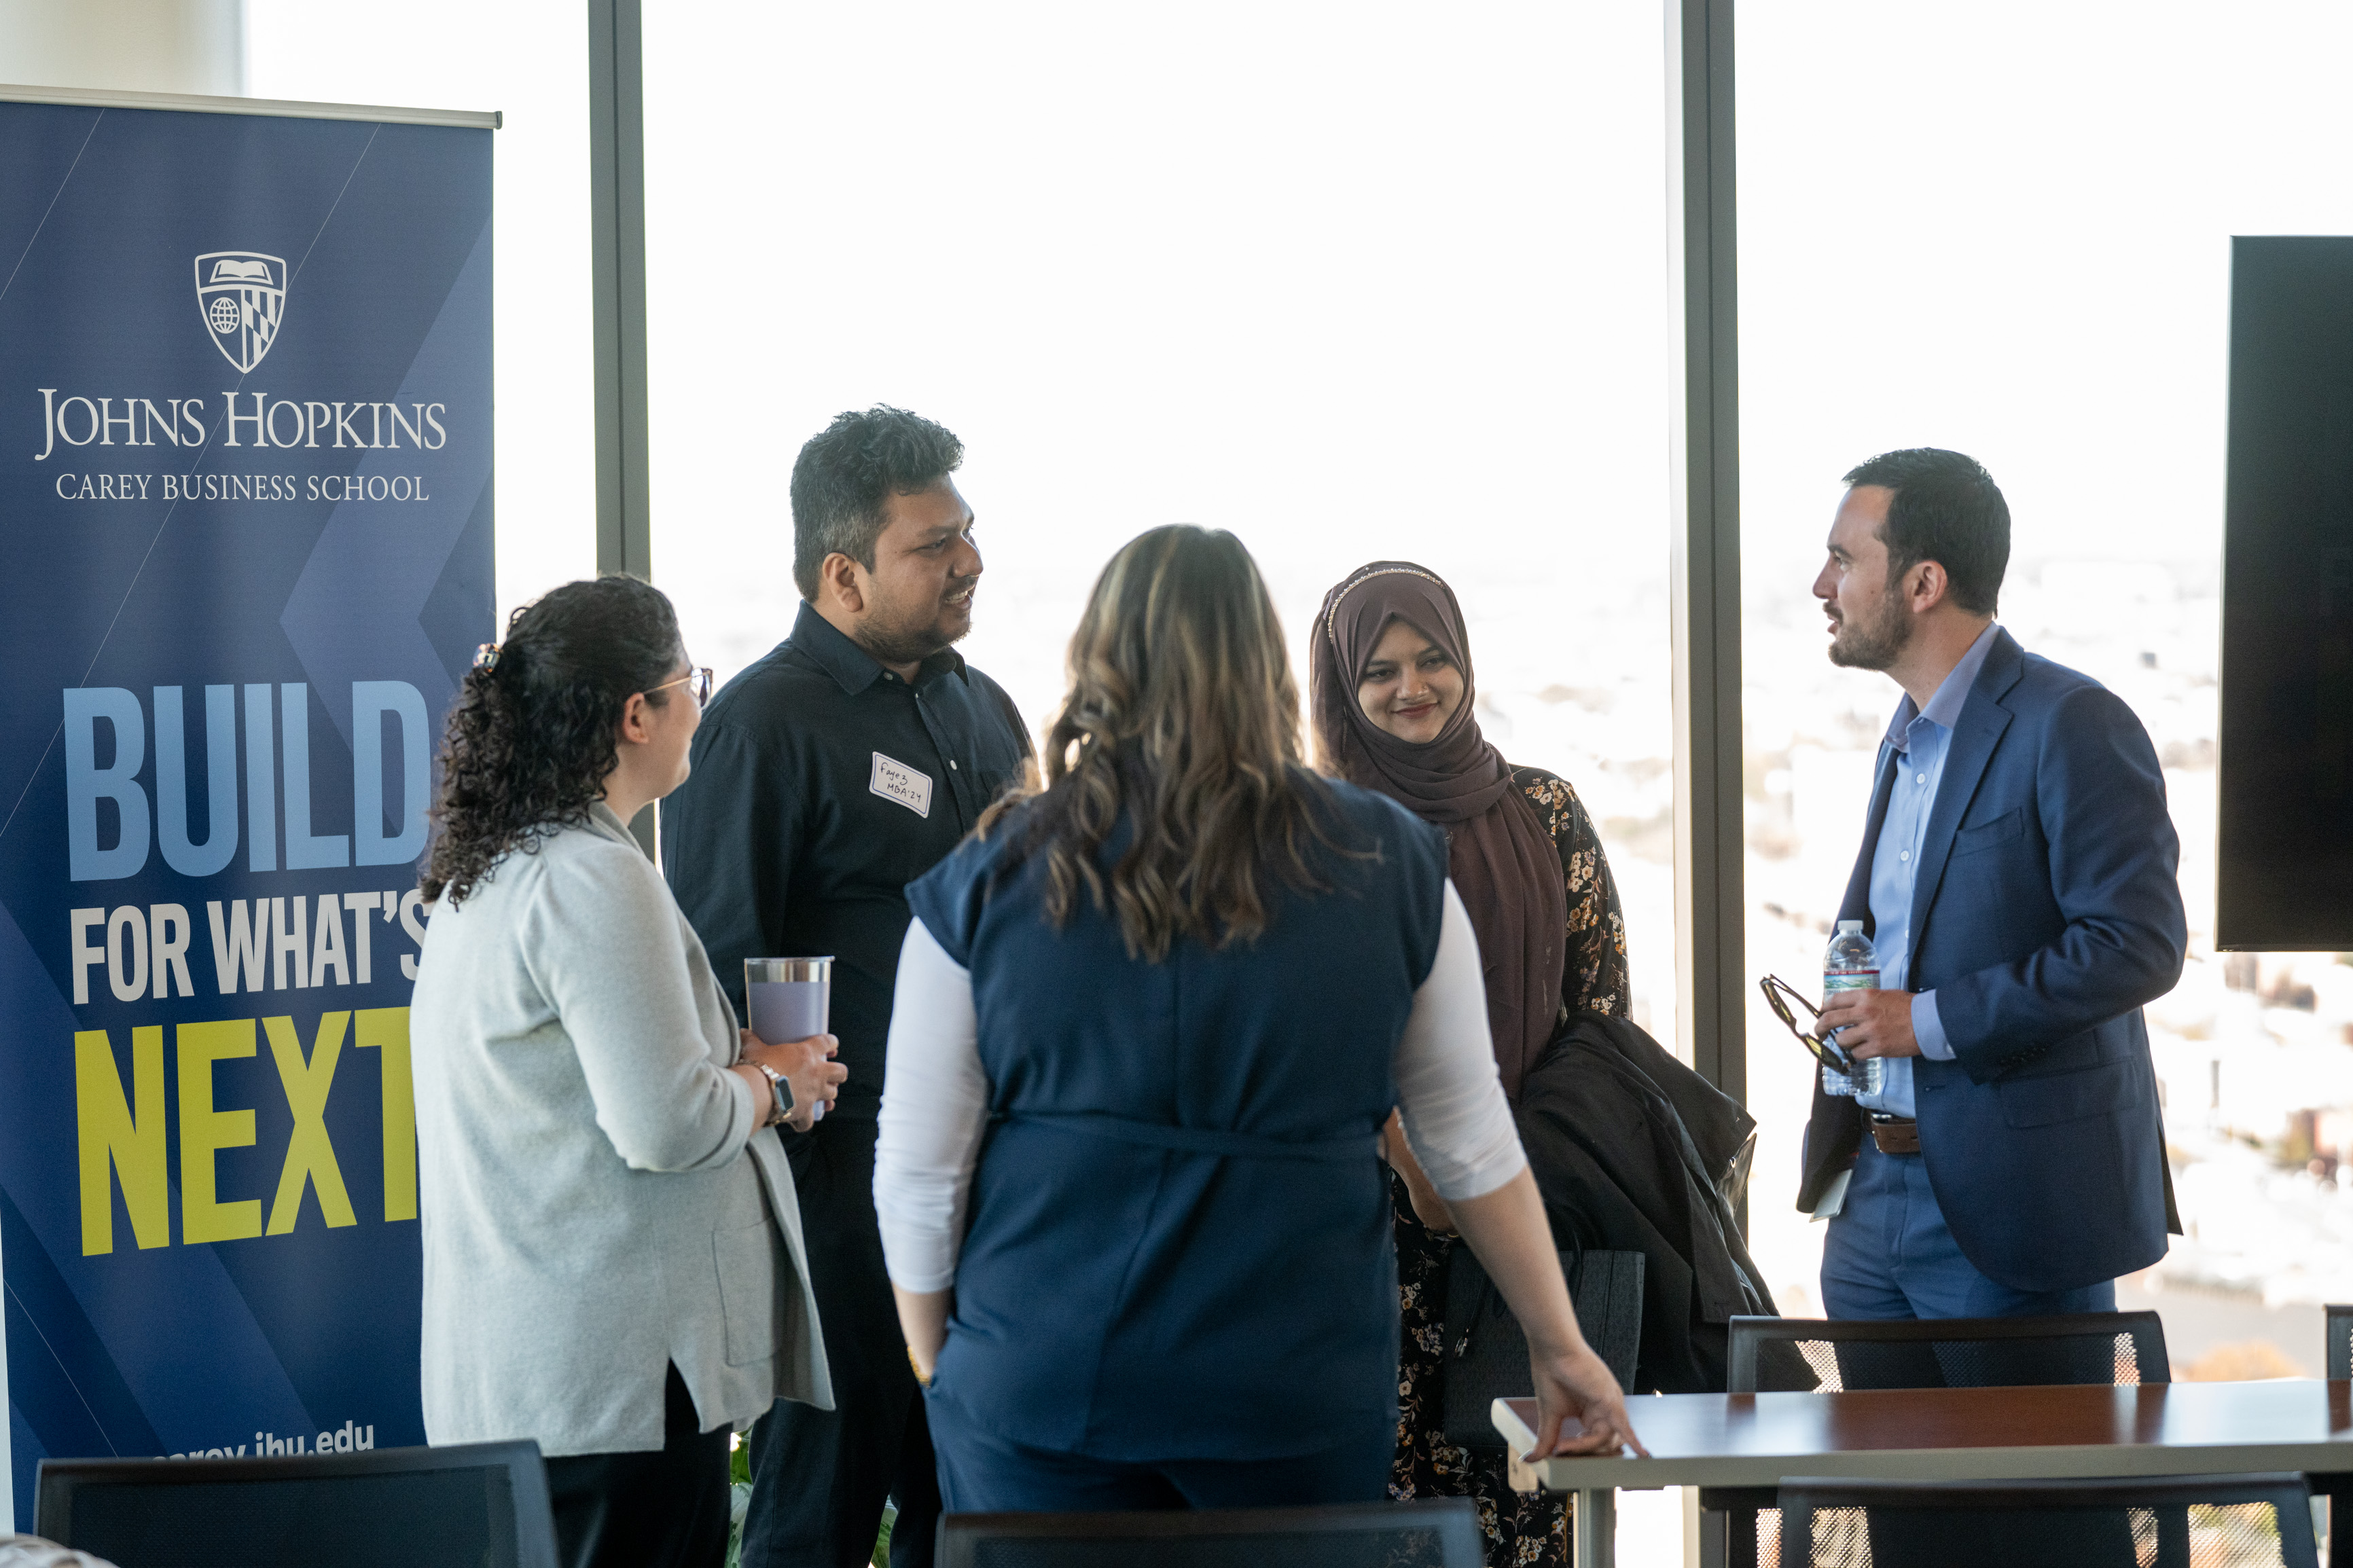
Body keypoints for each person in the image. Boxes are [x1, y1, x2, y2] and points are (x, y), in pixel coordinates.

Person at [874, 526, 1643, 1514]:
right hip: (1296, 1385)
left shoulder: (988, 878)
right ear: (1265, 668)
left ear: (1098, 661)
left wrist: (943, 1359)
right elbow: (1468, 1138)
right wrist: (1556, 1341)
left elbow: (919, 1168)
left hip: (1044, 1378)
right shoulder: (1394, 864)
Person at [408, 575, 847, 1568]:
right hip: (610, 1395)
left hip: (527, 1384)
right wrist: (776, 1087)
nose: (702, 699)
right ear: (636, 713)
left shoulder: (502, 863)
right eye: (689, 678)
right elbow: (664, 1124)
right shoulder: (594, 876)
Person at [662, 407, 1030, 1568]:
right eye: (933, 543)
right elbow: (718, 971)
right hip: (837, 1190)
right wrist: (798, 1172)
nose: (969, 558)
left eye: (966, 531)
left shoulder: (984, 706)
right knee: (815, 1506)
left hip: (992, 1181)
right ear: (842, 572)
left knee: (966, 1500)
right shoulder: (759, 725)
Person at [1798, 448, 2186, 1318]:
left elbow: (2138, 945)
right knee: (1867, 1459)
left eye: (1843, 559)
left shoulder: (2072, 721)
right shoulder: (1900, 739)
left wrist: (1920, 1021)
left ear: (1922, 581)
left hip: (2016, 1210)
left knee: (2019, 1463)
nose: (1821, 585)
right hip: (1869, 1196)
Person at [1308, 561, 1632, 1562]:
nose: (1412, 687)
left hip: (1526, 1231)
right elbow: (1302, 1031)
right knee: (1373, 1515)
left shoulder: (1546, 812)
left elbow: (1602, 1019)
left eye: (1433, 658)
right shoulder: (1312, 832)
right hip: (1361, 1243)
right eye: (1381, 670)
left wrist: (1504, 1164)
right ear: (1340, 690)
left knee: (1521, 1508)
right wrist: (1414, 1151)